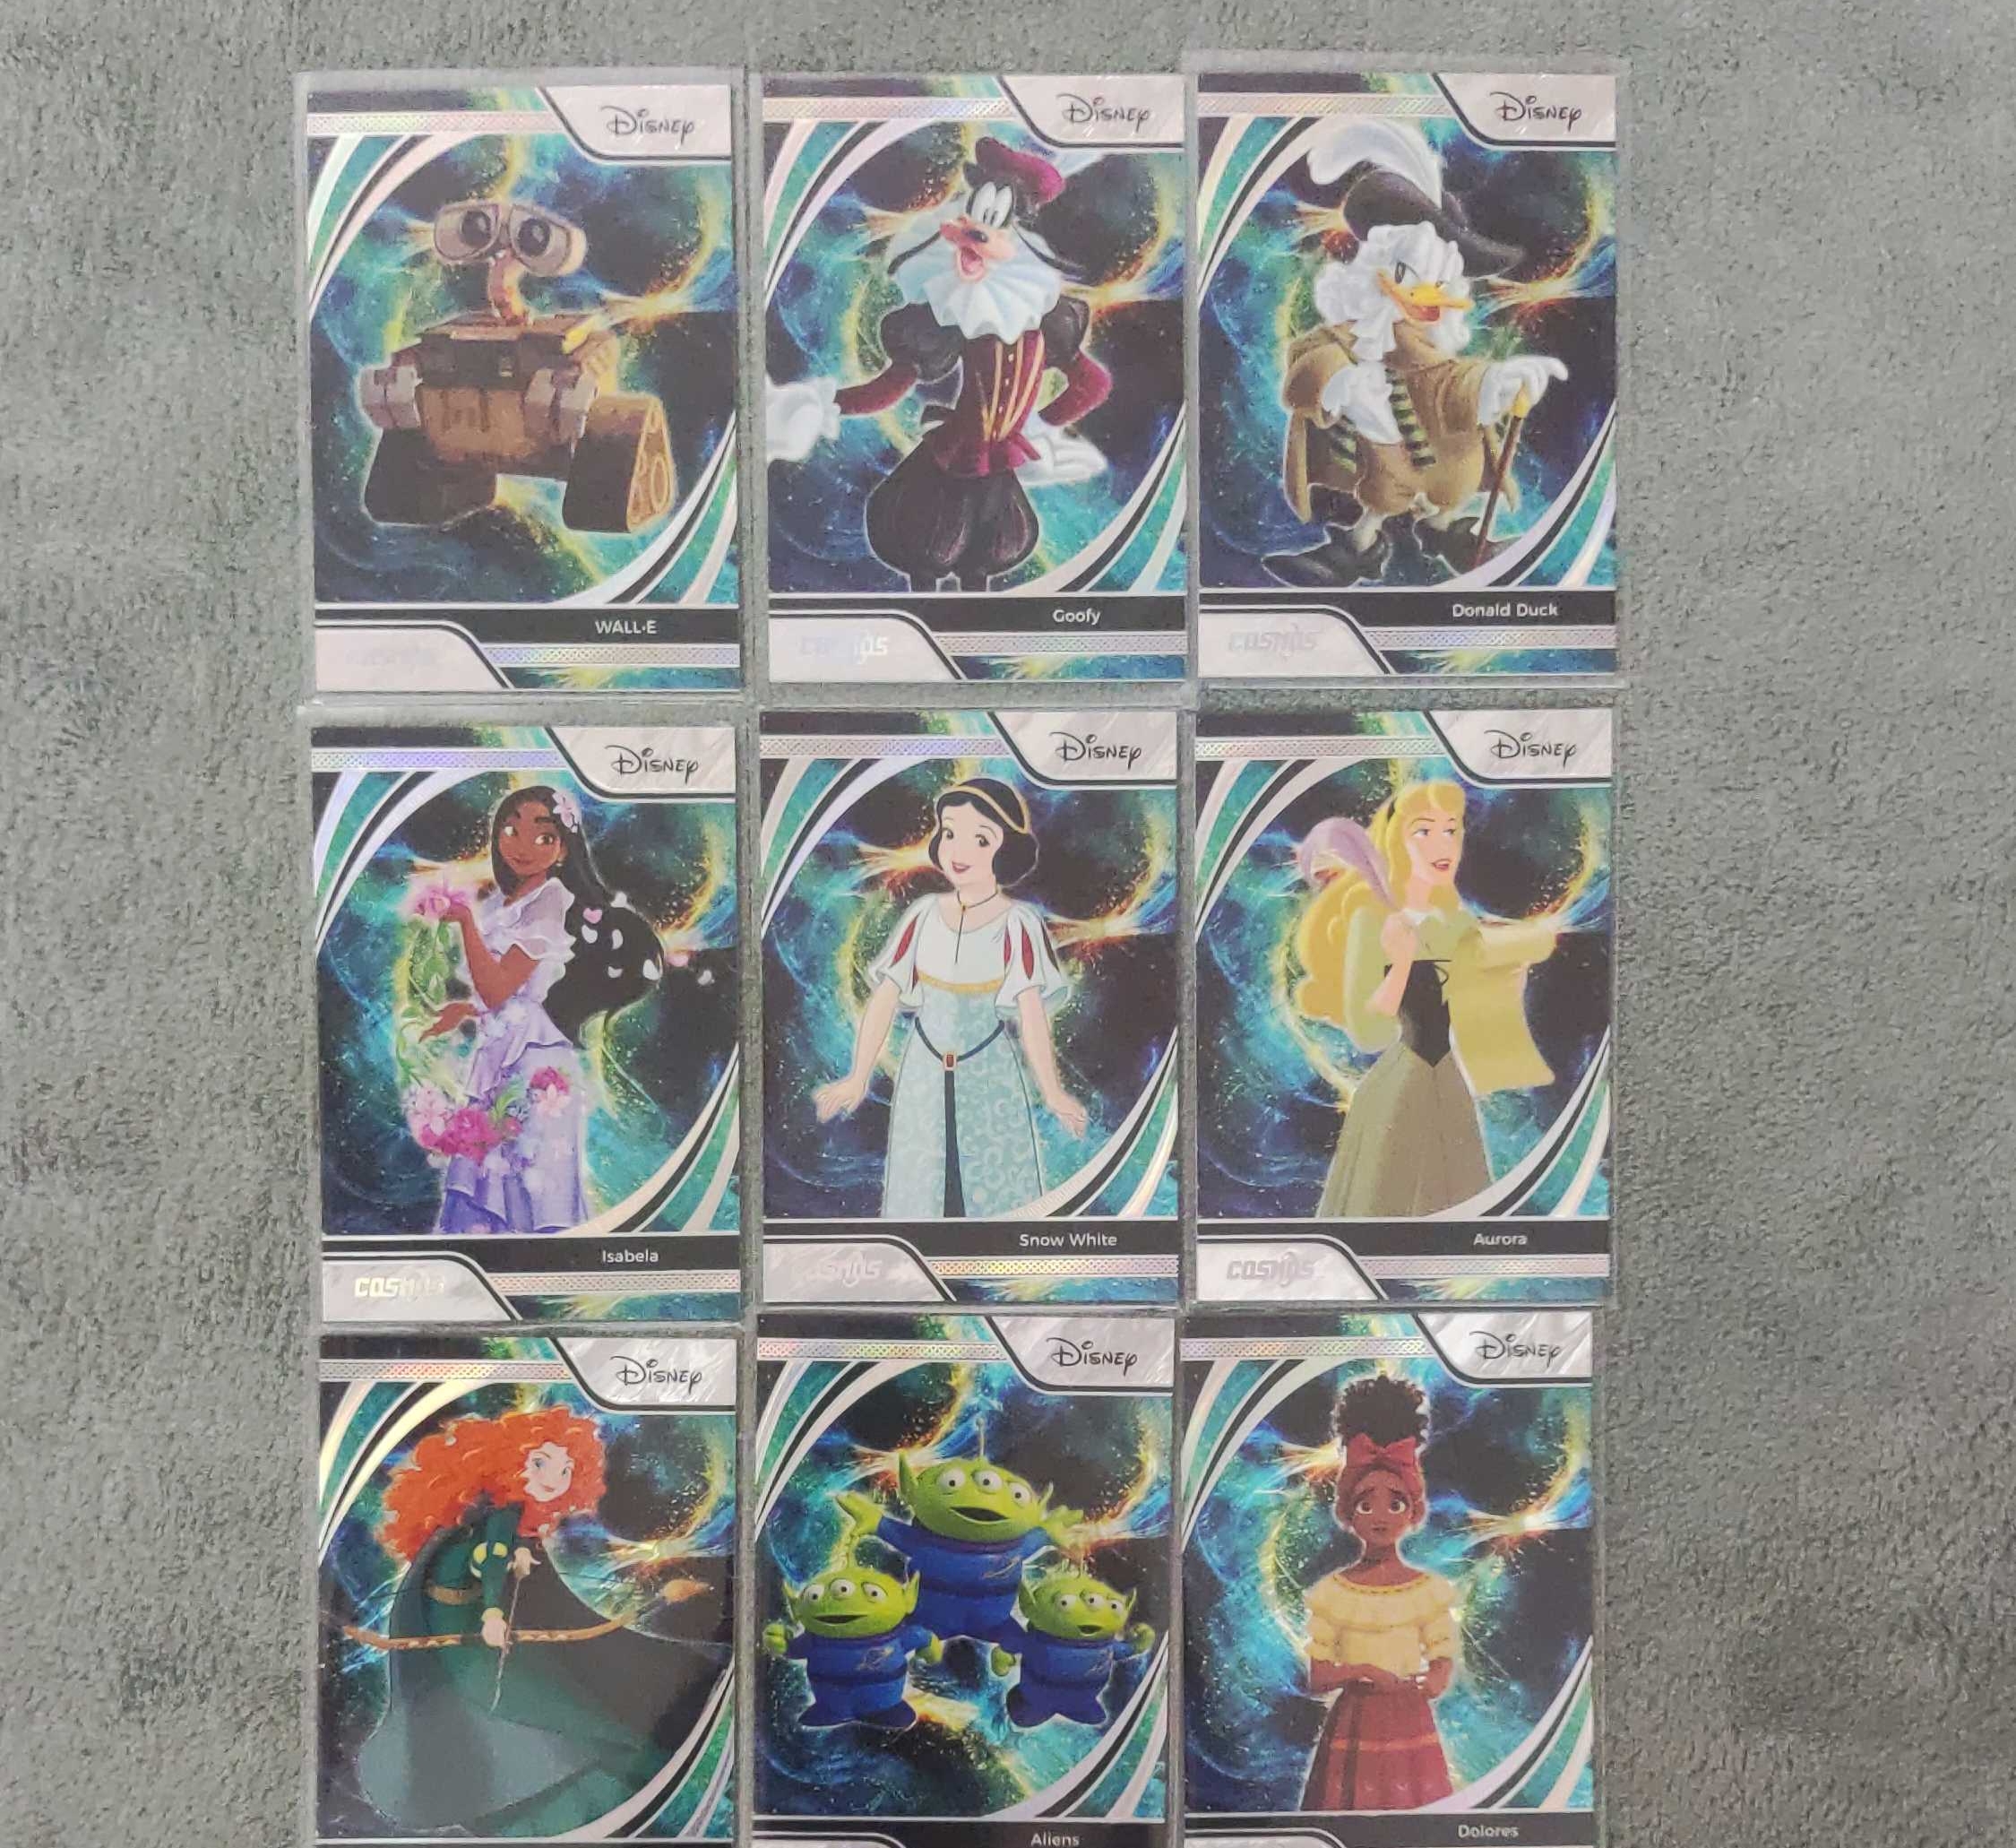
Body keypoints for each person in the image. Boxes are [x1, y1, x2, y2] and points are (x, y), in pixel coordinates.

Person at [814, 779, 1089, 1217]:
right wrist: (857, 1077)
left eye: (980, 839)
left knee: (994, 1192)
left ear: (1005, 850)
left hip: (990, 1076)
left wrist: (1053, 1093)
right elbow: (885, 998)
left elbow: (1031, 1014)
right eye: (950, 832)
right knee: (921, 1192)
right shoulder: (922, 915)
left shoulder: (1018, 923)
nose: (960, 850)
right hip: (922, 1073)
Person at [1302, 1375, 1459, 1812]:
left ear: (1413, 1512)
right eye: (1365, 1504)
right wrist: (1364, 1670)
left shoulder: (1425, 1591)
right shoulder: (1334, 1593)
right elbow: (1318, 1677)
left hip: (1410, 1720)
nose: (1381, 1516)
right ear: (1348, 1513)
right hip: (1355, 1724)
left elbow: (1442, 1653)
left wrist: (1436, 1676)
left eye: (1396, 1503)